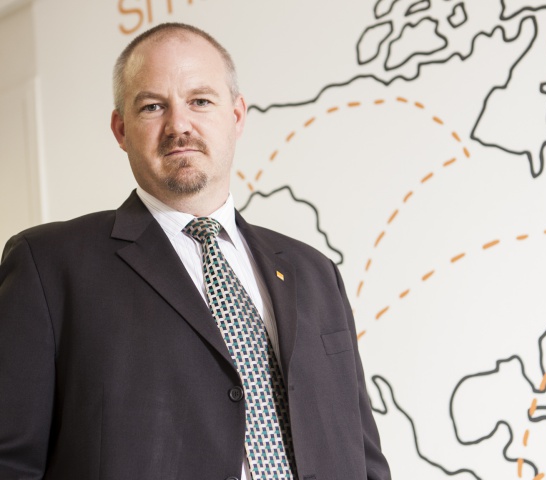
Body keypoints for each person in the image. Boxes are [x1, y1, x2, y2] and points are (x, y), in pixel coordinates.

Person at [0, 22, 391, 480]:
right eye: (153, 106)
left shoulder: (315, 272)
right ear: (121, 129)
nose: (179, 125)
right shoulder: (48, 267)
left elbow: (363, 456)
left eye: (200, 101)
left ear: (237, 116)